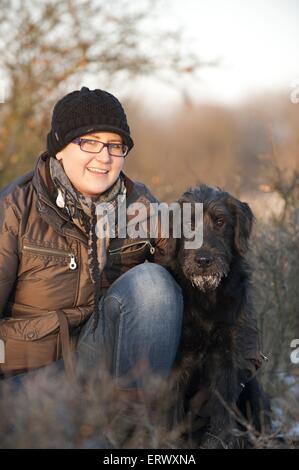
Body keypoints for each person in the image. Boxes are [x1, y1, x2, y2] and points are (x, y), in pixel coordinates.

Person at [0, 86, 184, 399]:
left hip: (103, 372)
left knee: (154, 284)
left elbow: (207, 287)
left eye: (115, 146)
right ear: (59, 148)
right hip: (33, 384)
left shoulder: (141, 206)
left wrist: (240, 367)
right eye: (89, 142)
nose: (105, 157)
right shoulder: (14, 209)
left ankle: (133, 432)